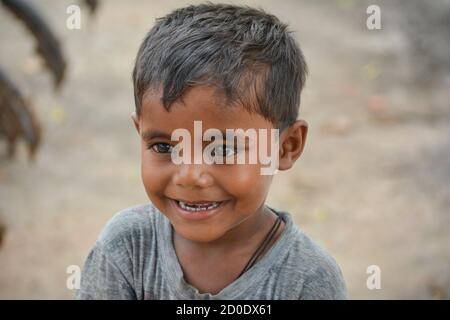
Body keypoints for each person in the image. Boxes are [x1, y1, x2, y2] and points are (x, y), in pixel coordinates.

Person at [75, 3, 347, 300]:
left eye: (223, 149)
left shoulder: (308, 279)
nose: (189, 176)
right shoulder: (127, 248)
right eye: (164, 147)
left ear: (286, 147)